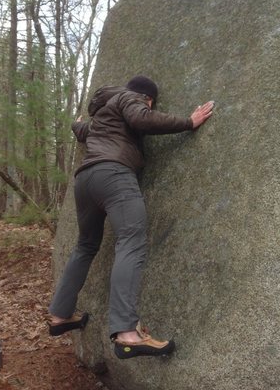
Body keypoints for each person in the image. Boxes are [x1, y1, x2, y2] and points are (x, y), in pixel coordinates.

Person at [48, 75, 214, 359]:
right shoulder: (130, 99)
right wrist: (188, 122)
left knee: (86, 246)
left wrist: (75, 124)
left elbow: (83, 131)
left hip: (86, 180)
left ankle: (60, 315)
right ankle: (126, 333)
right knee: (131, 241)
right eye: (150, 103)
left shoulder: (103, 115)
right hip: (114, 175)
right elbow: (141, 119)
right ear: (147, 98)